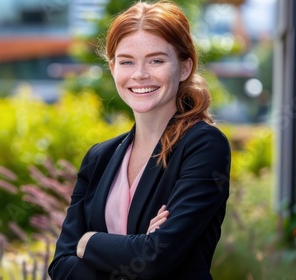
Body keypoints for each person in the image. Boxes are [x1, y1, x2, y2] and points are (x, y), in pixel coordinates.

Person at [48, 1, 231, 279]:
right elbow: (61, 264)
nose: (140, 74)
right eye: (127, 61)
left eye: (156, 60)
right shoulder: (99, 158)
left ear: (184, 68)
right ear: (112, 68)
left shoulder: (204, 146)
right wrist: (137, 248)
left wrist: (89, 242)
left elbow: (156, 258)